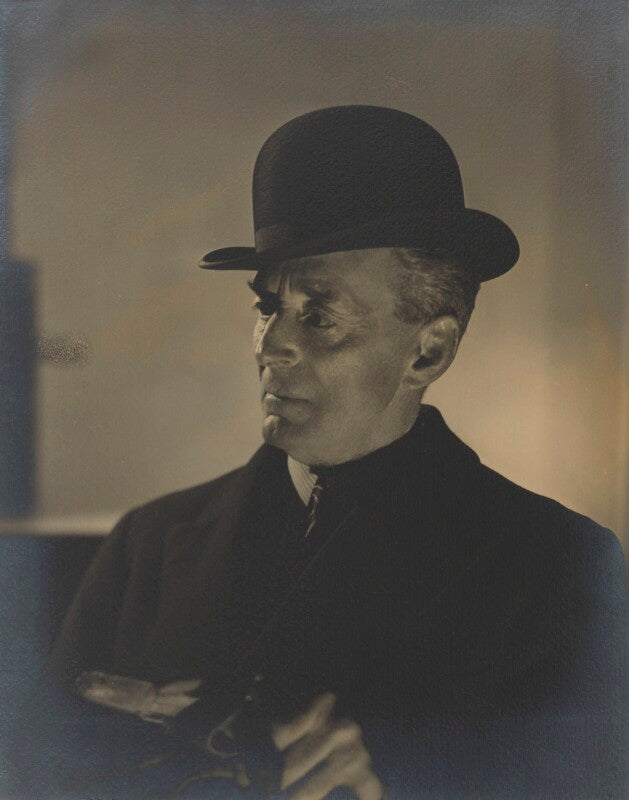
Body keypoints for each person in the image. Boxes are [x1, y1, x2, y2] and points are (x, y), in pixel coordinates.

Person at [20, 106, 627, 799]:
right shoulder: (147, 544)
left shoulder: (556, 567)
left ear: (428, 352)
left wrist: (403, 781)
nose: (271, 345)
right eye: (266, 305)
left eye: (318, 314)